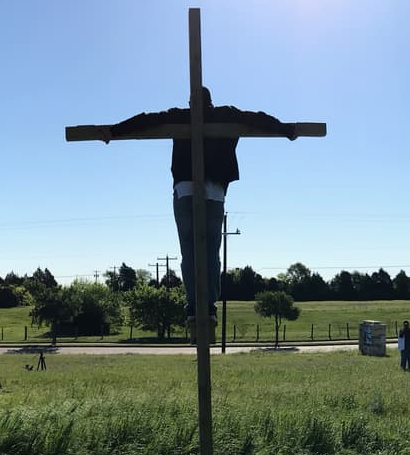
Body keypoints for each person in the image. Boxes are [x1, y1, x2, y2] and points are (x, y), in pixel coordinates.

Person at [104, 87, 296, 328]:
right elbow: (256, 118)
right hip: (214, 191)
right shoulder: (226, 114)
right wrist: (285, 129)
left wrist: (114, 131)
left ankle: (194, 306)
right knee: (211, 250)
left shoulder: (181, 115)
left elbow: (147, 120)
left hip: (185, 189)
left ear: (190, 101)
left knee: (189, 249)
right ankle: (208, 306)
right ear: (211, 102)